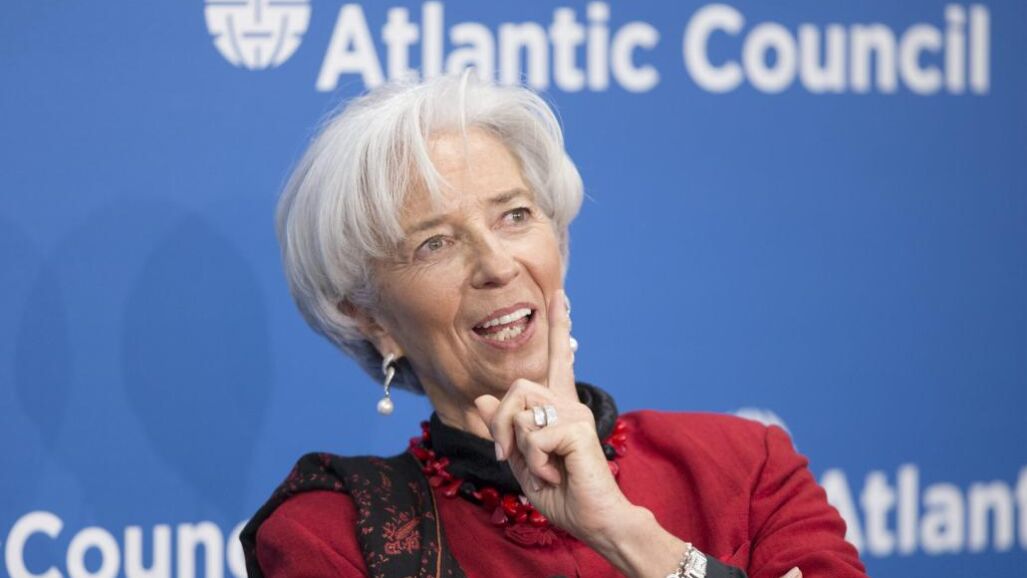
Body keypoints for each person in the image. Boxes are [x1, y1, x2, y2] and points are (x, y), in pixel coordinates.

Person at [240, 72, 868, 578]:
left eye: (515, 215)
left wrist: (623, 532)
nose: (496, 265)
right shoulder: (332, 535)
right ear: (371, 317)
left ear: (559, 242)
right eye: (435, 244)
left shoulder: (743, 467)